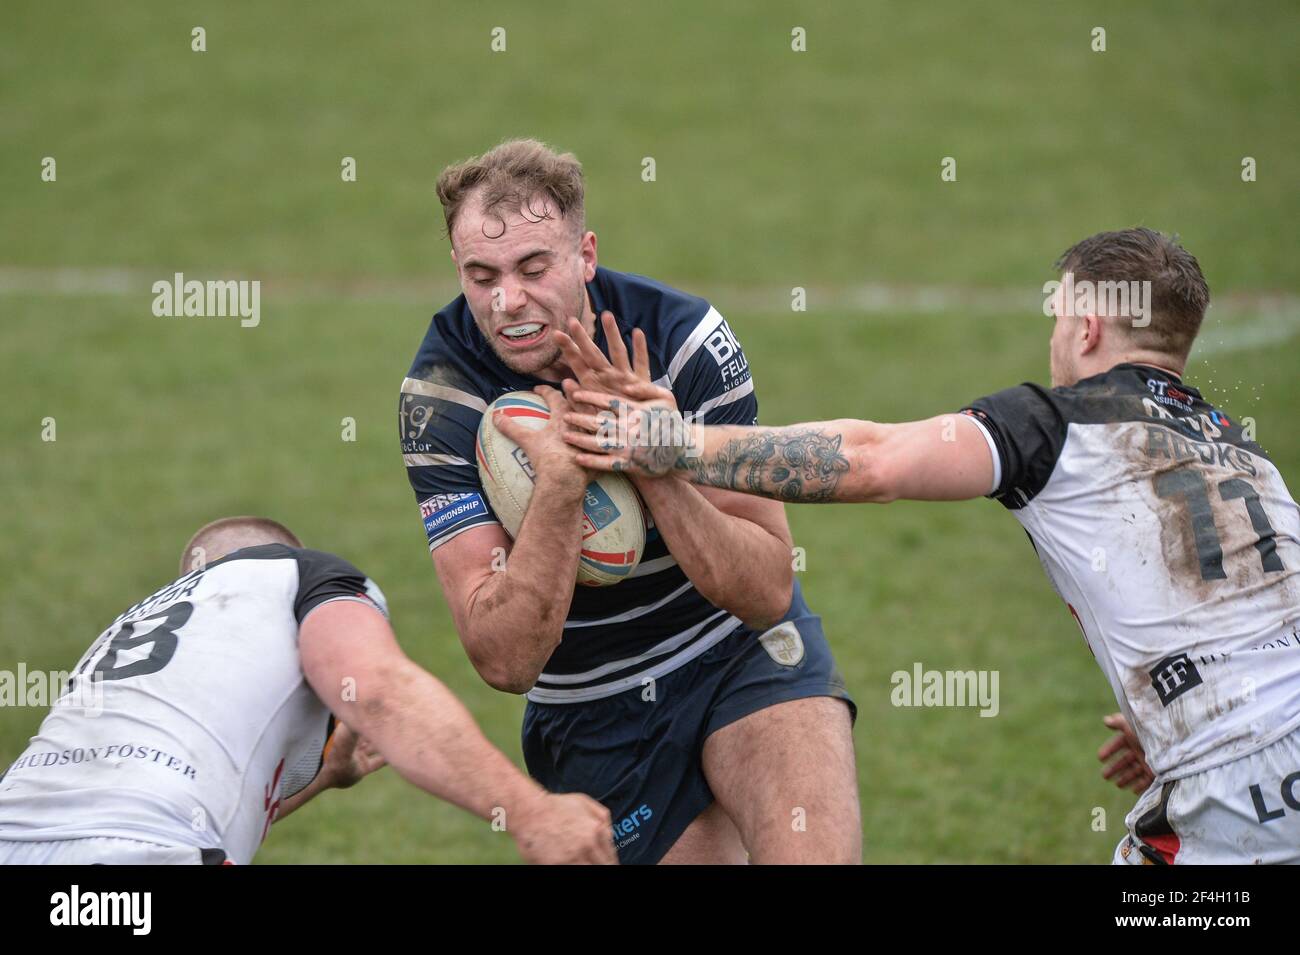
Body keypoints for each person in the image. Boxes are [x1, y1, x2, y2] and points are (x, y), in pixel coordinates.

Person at [557, 227, 1300, 865]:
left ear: (1088, 330)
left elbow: (872, 459)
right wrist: (1170, 717)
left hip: (1235, 791)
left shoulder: (1054, 426)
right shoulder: (1247, 456)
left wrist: (666, 440)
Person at [398, 139, 859, 864]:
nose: (506, 301)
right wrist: (558, 482)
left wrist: (658, 462)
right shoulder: (442, 399)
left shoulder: (684, 342)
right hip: (594, 702)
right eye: (480, 275)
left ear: (585, 254)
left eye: (533, 267)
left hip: (738, 649)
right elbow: (504, 660)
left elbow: (768, 587)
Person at [0, 516, 615, 864]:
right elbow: (377, 691)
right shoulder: (302, 575)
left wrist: (322, 776)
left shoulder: (122, 633)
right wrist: (534, 813)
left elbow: (176, 800)